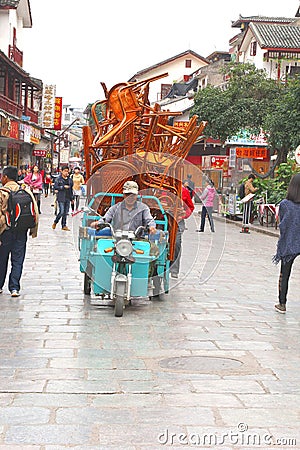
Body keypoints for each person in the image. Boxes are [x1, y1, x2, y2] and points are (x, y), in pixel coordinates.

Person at [0, 166, 39, 297]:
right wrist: (33, 230)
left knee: (2, 259)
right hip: (21, 230)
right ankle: (14, 288)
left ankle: (0, 285)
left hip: (5, 231)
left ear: (5, 177)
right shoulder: (25, 190)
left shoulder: (2, 192)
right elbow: (35, 211)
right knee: (18, 260)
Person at [273, 173, 300, 313]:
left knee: (285, 274)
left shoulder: (285, 205)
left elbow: (282, 225)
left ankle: (282, 304)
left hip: (289, 243)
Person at [91, 180, 157, 234]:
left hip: (137, 240)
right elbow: (105, 219)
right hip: (117, 240)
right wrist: (98, 224)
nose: (130, 197)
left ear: (137, 195)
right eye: (127, 194)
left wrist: (152, 228)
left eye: (133, 195)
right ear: (123, 195)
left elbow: (149, 220)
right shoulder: (115, 208)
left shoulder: (143, 208)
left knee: (153, 249)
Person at [170, 184, 195, 278]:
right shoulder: (161, 189)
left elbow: (190, 207)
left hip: (178, 221)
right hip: (163, 218)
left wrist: (183, 215)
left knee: (176, 243)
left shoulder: (184, 191)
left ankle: (174, 270)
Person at [52, 166, 74, 231]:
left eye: (67, 171)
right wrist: (63, 187)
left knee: (65, 212)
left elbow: (71, 189)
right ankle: (55, 221)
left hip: (67, 197)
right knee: (61, 211)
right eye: (65, 171)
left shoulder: (70, 180)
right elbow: (55, 187)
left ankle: (63, 225)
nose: (66, 172)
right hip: (61, 197)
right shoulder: (58, 179)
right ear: (61, 171)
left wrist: (72, 198)